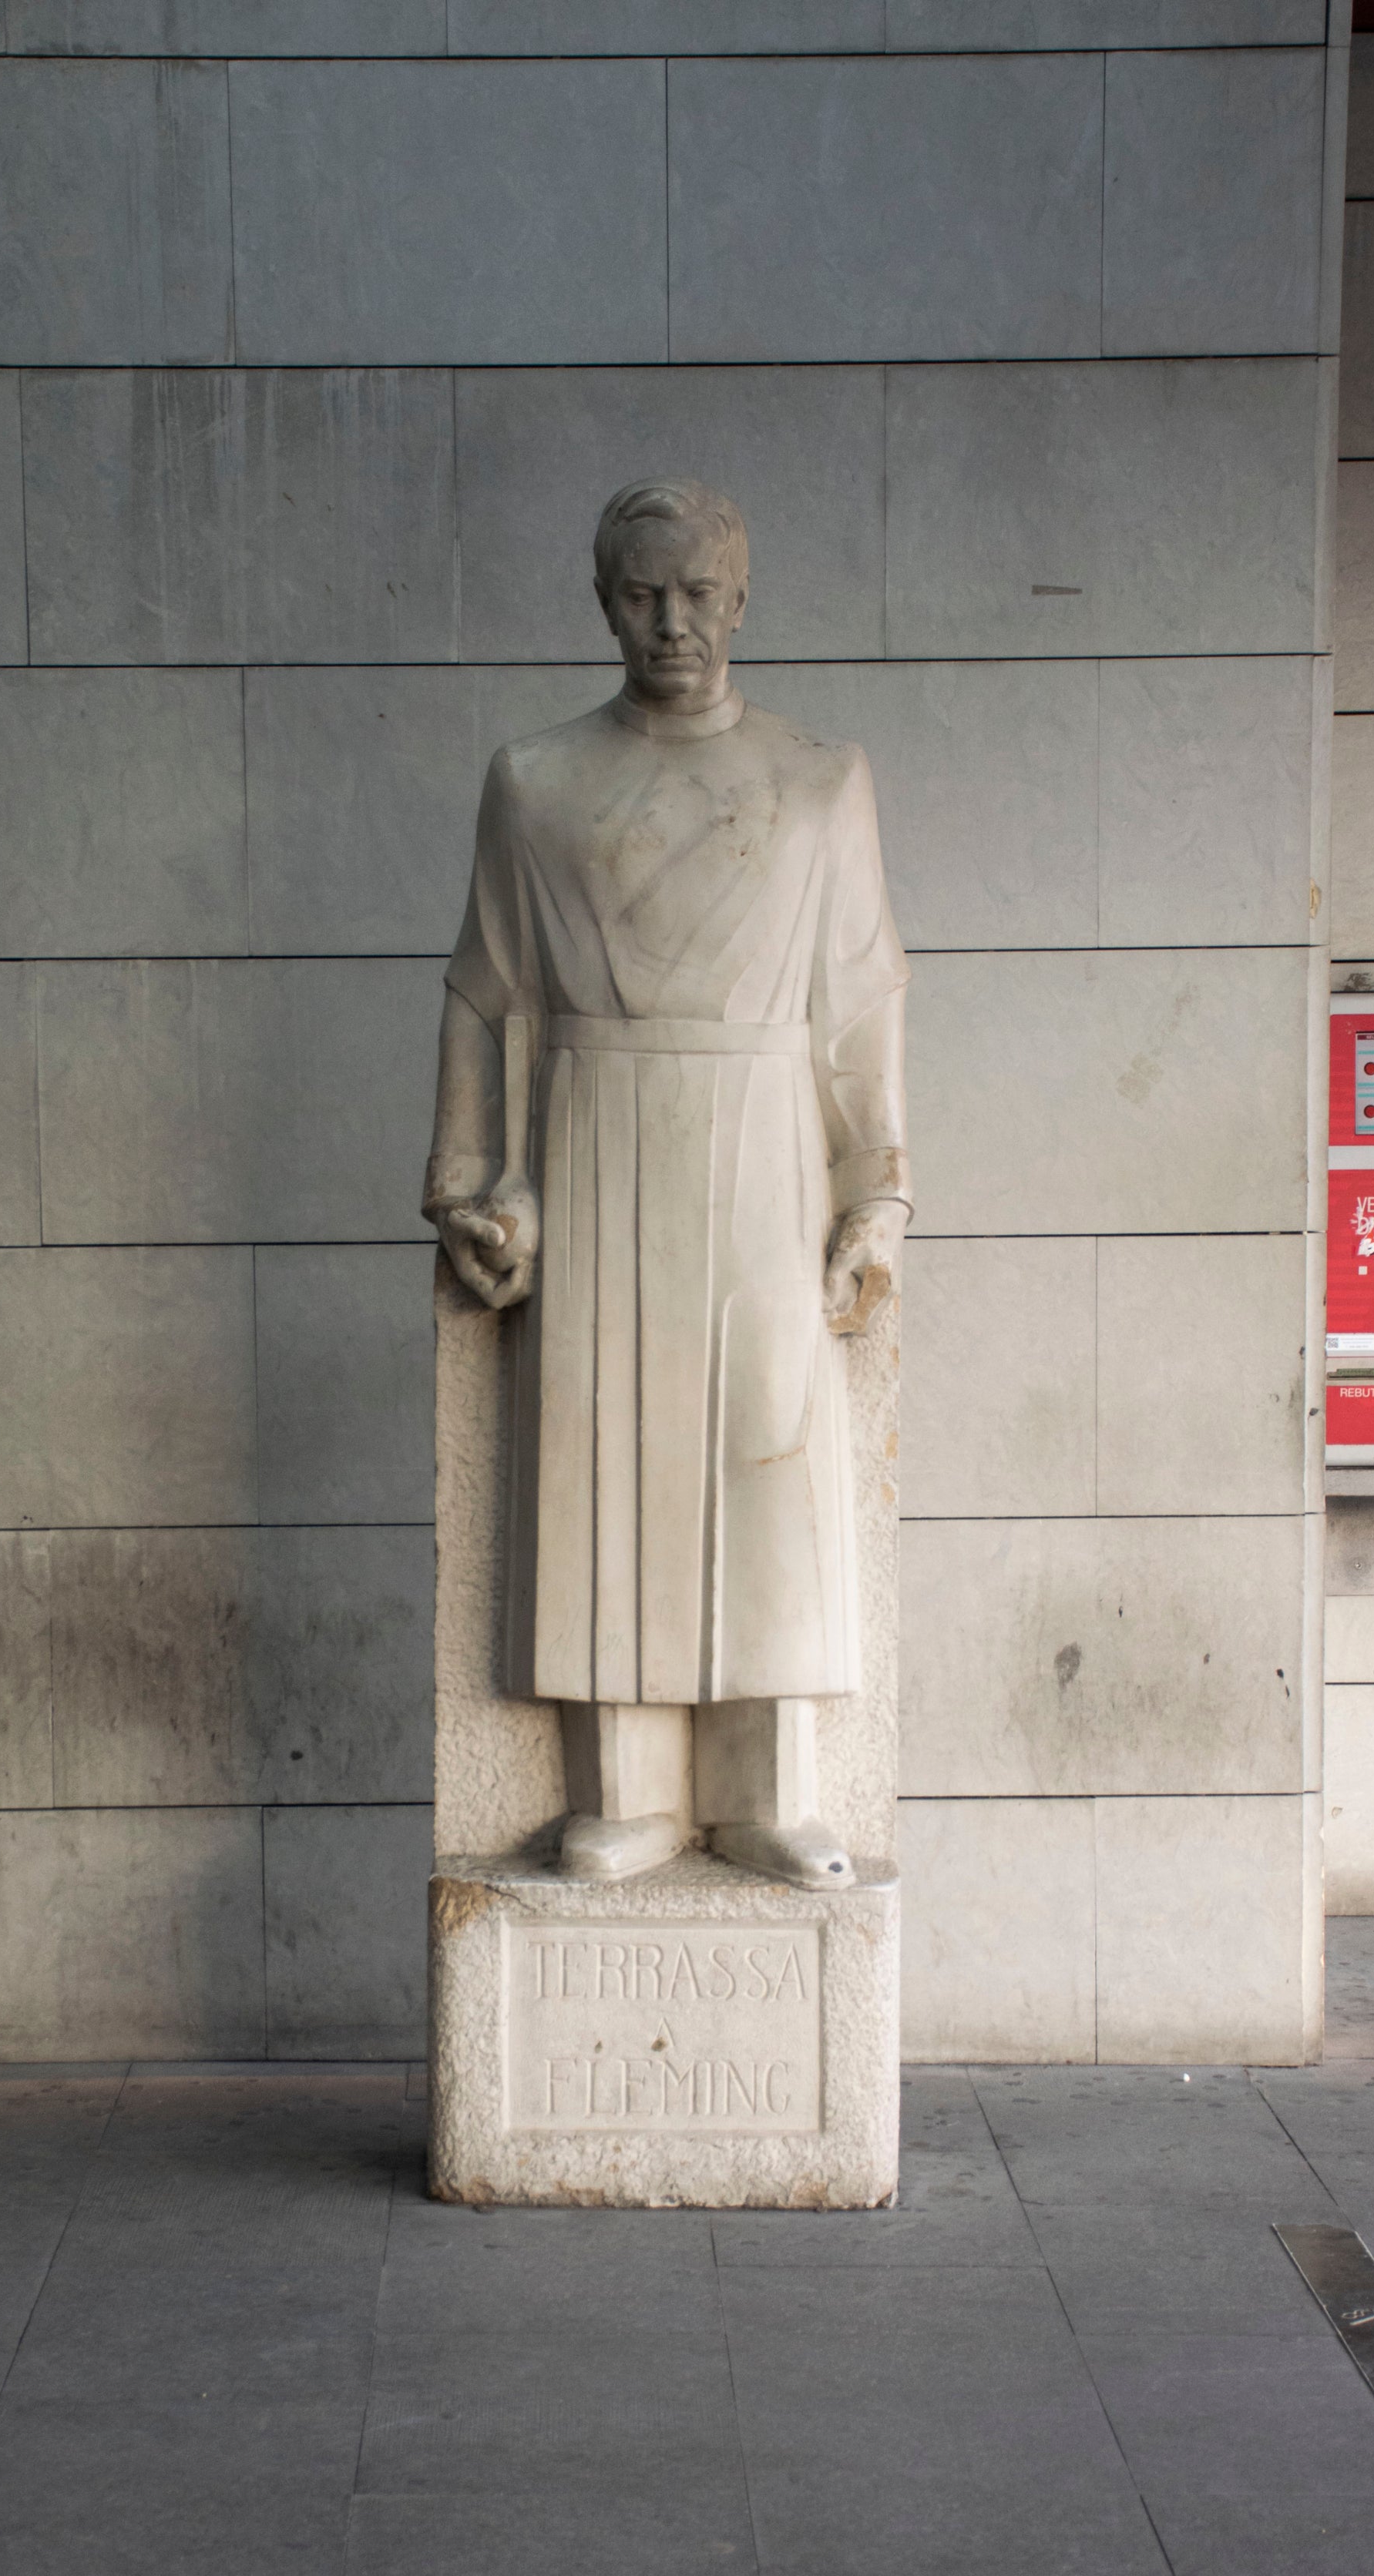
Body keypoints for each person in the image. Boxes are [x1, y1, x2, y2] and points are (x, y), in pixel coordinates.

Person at [422, 478, 912, 1888]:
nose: (672, 623)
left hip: (765, 1150)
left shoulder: (821, 781)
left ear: (741, 600)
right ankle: (623, 1787)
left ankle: (765, 1786)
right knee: (603, 1457)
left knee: (767, 1460)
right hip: (593, 1143)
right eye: (642, 595)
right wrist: (471, 1181)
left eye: (698, 594)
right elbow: (479, 992)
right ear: (602, 602)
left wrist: (874, 1193)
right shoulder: (538, 780)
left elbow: (864, 1001)